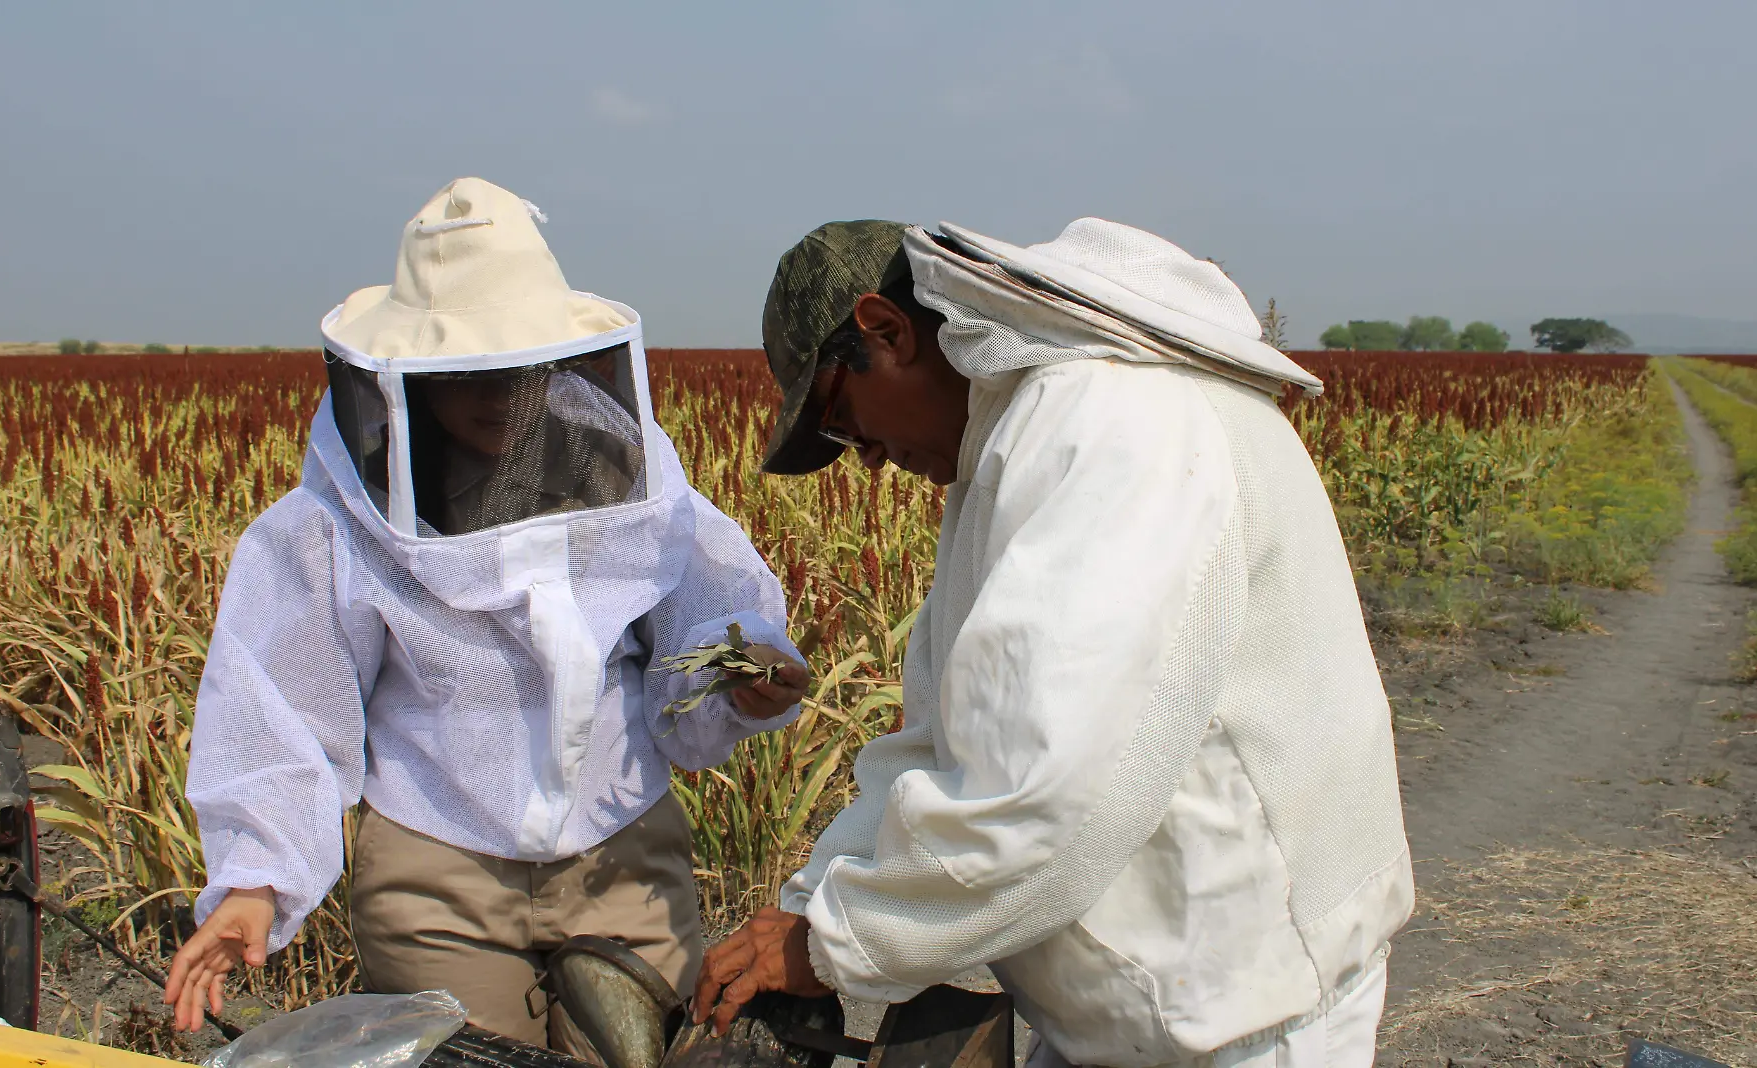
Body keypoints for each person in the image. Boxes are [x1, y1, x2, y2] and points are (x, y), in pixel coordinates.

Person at [693, 219, 1412, 1068]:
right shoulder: (1014, 439)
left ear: (885, 331)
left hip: (1242, 1010)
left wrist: (836, 944)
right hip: (1145, 1006)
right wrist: (816, 907)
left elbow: (1052, 791)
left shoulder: (1112, 424)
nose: (871, 461)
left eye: (844, 422)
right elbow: (940, 740)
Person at [164, 178, 810, 1055]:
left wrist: (741, 680)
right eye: (465, 372)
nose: (498, 391)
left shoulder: (627, 473)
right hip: (436, 871)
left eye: (520, 366)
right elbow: (283, 703)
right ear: (402, 381)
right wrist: (256, 881)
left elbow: (707, 616)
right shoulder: (339, 517)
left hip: (620, 848)